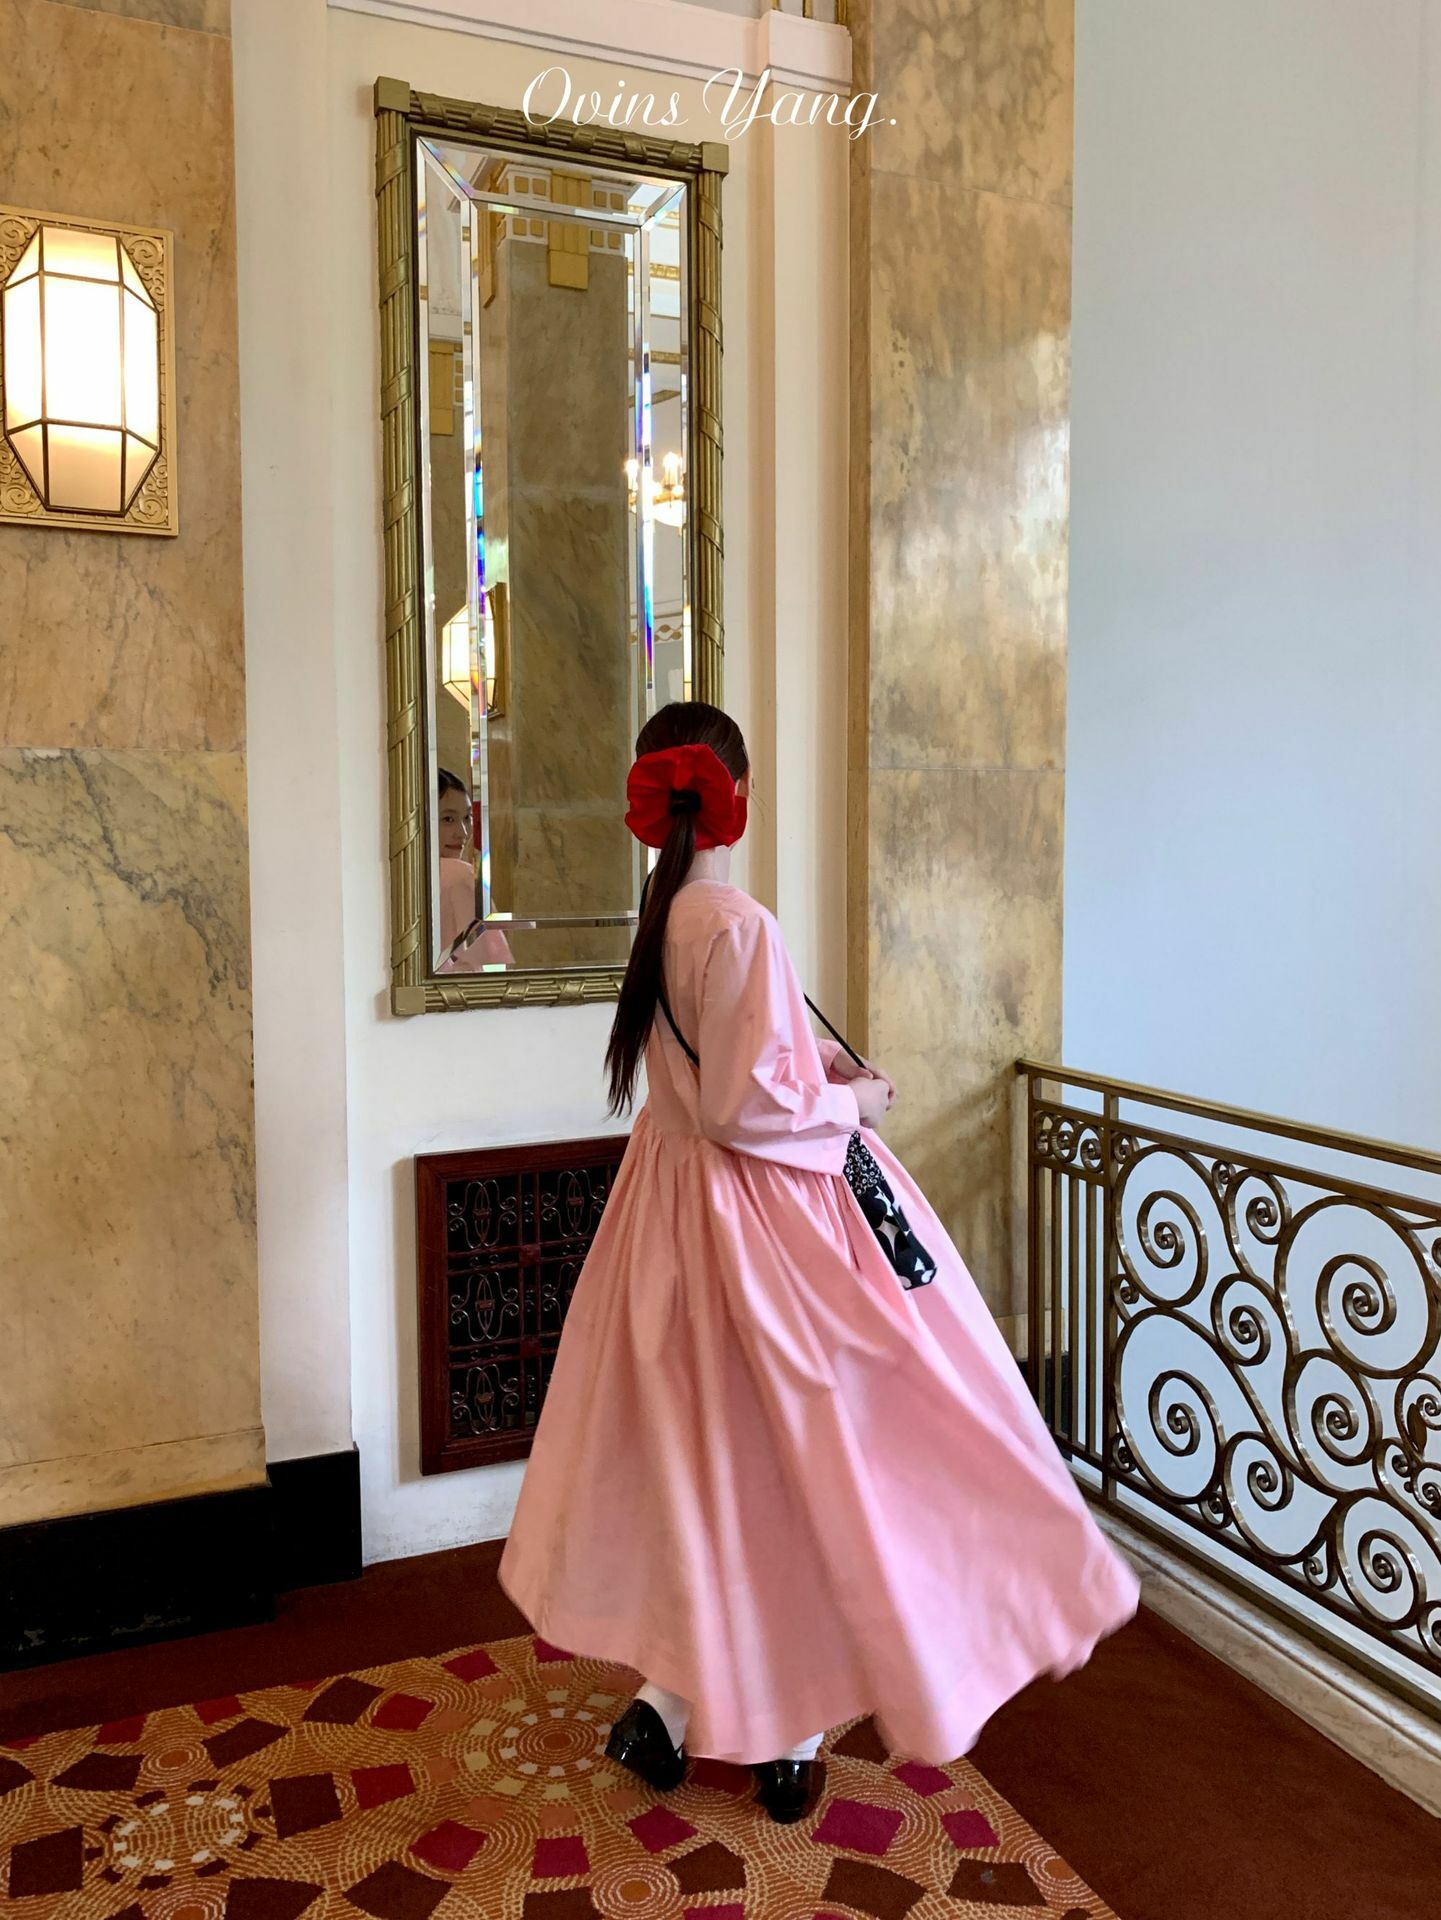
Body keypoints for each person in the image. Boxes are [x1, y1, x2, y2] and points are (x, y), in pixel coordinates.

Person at [499, 701, 1139, 1825]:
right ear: (738, 795)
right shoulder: (737, 923)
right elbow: (750, 1111)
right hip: (762, 1236)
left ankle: (668, 1704)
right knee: (812, 1462)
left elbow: (720, 1082)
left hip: (668, 1220)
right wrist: (855, 1102)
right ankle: (784, 1737)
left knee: (705, 1465)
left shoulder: (661, 920)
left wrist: (809, 1069)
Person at [436, 768, 514, 970]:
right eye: (448, 819)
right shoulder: (461, 875)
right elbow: (490, 965)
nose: (463, 833)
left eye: (467, 817)